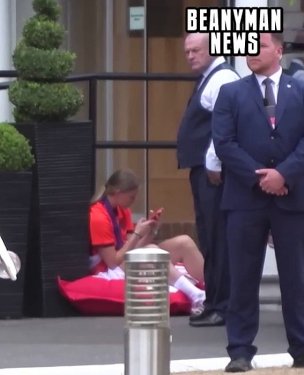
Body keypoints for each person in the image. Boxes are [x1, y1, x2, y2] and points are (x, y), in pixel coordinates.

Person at [213, 32, 304, 372]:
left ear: (279, 51)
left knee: (296, 277)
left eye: (261, 46)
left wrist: (285, 175)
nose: (252, 53)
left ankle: (301, 346)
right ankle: (239, 351)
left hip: (292, 197)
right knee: (243, 277)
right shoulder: (231, 92)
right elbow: (224, 143)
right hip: (244, 199)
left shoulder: (301, 92)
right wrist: (262, 177)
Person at [176, 32, 240, 328]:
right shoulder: (209, 77)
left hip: (213, 174)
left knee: (218, 237)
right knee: (210, 237)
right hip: (203, 170)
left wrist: (213, 162)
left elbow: (224, 125)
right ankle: (214, 301)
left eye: (196, 50)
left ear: (212, 50)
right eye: (187, 51)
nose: (190, 55)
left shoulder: (222, 78)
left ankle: (223, 305)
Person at [89, 169, 206, 315]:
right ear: (118, 192)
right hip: (110, 270)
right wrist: (137, 233)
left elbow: (134, 248)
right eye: (131, 197)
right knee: (152, 250)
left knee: (184, 242)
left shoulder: (122, 210)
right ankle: (197, 295)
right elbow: (113, 262)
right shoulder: (98, 216)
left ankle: (214, 290)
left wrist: (152, 230)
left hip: (124, 260)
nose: (133, 201)